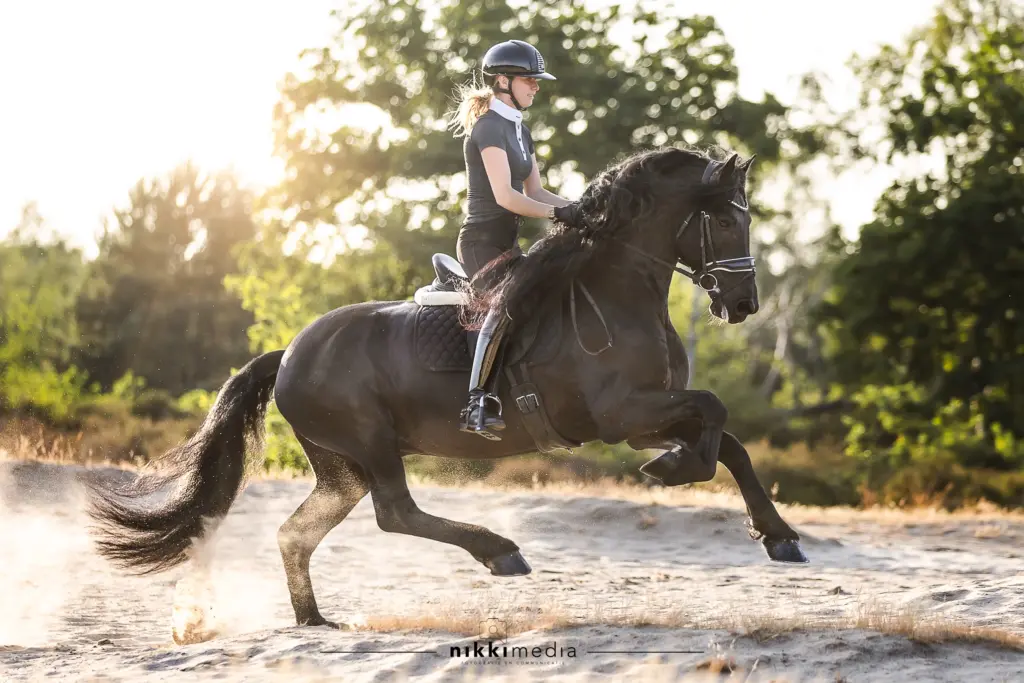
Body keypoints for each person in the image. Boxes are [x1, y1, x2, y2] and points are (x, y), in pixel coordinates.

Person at [448, 39, 585, 440]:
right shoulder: (489, 127)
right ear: (504, 81)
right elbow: (506, 197)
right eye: (530, 80)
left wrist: (585, 207)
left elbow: (538, 193)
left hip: (507, 246)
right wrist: (560, 215)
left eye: (537, 80)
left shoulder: (519, 129)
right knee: (502, 308)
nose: (537, 86)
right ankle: (477, 402)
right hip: (479, 244)